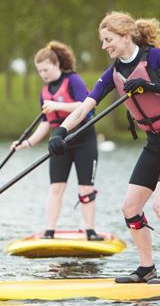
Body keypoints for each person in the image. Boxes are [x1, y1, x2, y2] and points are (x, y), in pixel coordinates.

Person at [48, 12, 160, 284]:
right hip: (155, 142)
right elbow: (85, 107)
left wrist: (154, 87)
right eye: (103, 40)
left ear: (126, 36)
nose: (104, 46)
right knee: (130, 207)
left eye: (109, 40)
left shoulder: (156, 57)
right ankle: (146, 268)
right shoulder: (113, 73)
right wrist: (61, 132)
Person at [11, 40, 103, 241]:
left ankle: (90, 230)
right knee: (56, 188)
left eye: (46, 69)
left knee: (85, 188)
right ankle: (49, 230)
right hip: (59, 142)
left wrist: (55, 104)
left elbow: (85, 106)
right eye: (39, 71)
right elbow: (45, 123)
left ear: (57, 65)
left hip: (83, 139)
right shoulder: (45, 91)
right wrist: (27, 143)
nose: (43, 74)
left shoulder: (73, 81)